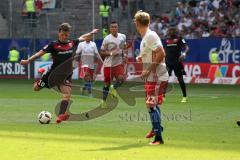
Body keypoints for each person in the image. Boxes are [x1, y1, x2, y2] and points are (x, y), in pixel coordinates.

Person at [20, 23, 98, 123]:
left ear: (68, 34)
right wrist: (28, 61)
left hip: (65, 75)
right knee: (36, 88)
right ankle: (40, 74)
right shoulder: (53, 45)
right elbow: (39, 53)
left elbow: (82, 37)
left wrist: (91, 33)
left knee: (67, 93)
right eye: (62, 34)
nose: (64, 36)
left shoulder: (71, 43)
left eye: (66, 34)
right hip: (52, 75)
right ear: (59, 33)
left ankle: (60, 115)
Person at [134, 10, 169, 145]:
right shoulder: (146, 38)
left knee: (150, 104)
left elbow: (161, 54)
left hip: (156, 76)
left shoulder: (150, 36)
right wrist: (141, 57)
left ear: (137, 23)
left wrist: (148, 70)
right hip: (152, 77)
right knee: (151, 104)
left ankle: (158, 138)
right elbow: (153, 53)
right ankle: (157, 128)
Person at [100, 21, 127, 107]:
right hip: (108, 64)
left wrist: (125, 55)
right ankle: (103, 101)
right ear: (110, 29)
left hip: (118, 63)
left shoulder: (122, 36)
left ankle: (113, 88)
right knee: (107, 84)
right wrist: (111, 53)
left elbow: (124, 47)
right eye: (112, 27)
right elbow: (102, 52)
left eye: (115, 27)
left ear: (118, 28)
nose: (114, 29)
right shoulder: (107, 39)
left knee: (121, 79)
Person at [165, 27, 189, 103]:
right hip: (168, 62)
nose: (170, 32)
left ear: (175, 31)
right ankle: (162, 96)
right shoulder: (167, 40)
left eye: (172, 31)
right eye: (169, 31)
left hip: (177, 62)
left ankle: (184, 96)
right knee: (165, 79)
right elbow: (166, 50)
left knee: (180, 79)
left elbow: (187, 47)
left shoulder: (180, 39)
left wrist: (184, 53)